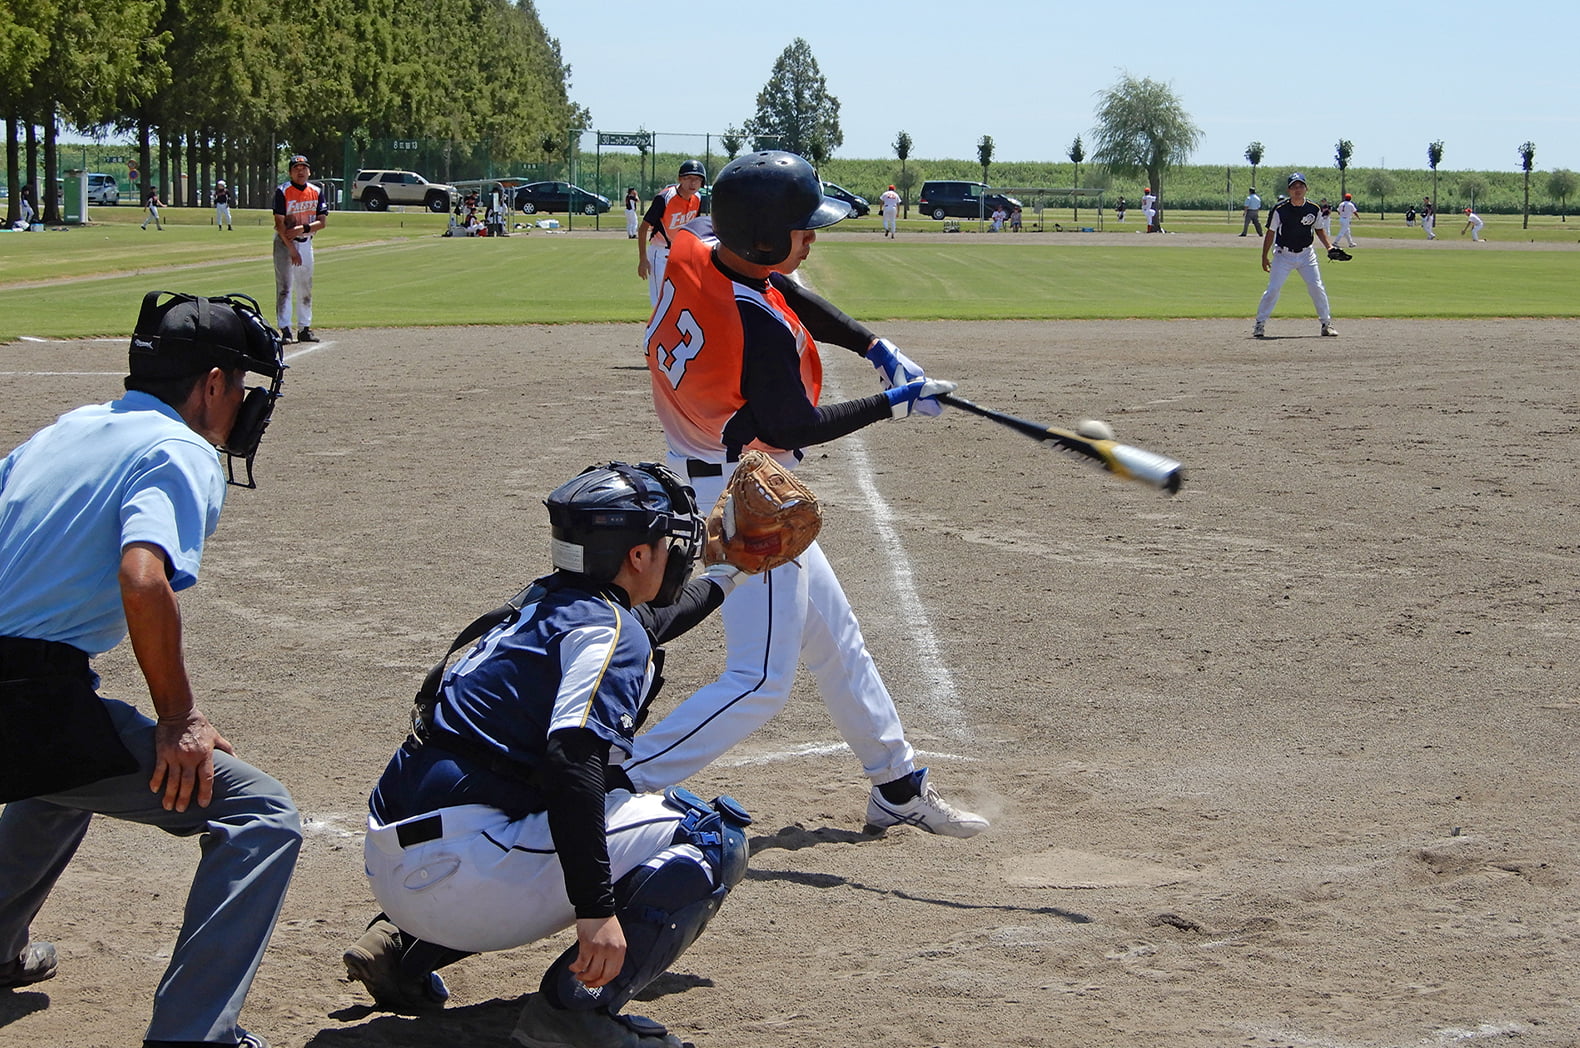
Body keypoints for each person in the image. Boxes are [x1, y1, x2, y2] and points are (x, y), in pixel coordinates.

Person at [638, 149, 988, 837]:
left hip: (718, 466)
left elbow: (777, 289)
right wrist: (895, 402)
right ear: (767, 238)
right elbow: (794, 424)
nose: (814, 236)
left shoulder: (700, 245)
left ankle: (895, 781)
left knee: (834, 638)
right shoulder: (758, 336)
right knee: (760, 678)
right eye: (804, 227)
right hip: (740, 498)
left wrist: (873, 344)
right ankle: (618, 778)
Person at [343, 462, 751, 1048]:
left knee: (569, 790)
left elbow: (648, 619)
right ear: (637, 556)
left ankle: (400, 949)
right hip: (463, 877)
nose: (678, 552)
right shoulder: (611, 631)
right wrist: (597, 912)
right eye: (668, 541)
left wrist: (730, 571)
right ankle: (574, 1013)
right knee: (709, 839)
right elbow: (571, 766)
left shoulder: (543, 602)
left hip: (397, 865)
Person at [0, 291, 297, 1048]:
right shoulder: (182, 450)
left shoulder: (68, 429)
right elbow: (142, 577)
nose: (244, 404)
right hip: (23, 693)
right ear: (211, 384)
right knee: (260, 814)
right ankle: (191, 1036)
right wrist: (180, 719)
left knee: (70, 763)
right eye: (242, 386)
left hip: (33, 697)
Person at [1253, 172, 1338, 339]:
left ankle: (1326, 324)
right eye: (1294, 187)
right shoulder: (1280, 209)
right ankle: (1260, 324)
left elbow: (1319, 229)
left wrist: (1329, 246)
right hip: (1283, 254)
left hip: (1307, 254)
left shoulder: (1313, 208)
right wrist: (1264, 256)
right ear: (1289, 190)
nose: (1297, 189)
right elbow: (1270, 233)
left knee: (1316, 287)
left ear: (1306, 188)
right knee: (1273, 289)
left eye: (1300, 186)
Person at [271, 154, 328, 345]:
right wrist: (291, 249)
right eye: (296, 168)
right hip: (284, 244)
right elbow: (279, 224)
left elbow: (322, 222)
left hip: (305, 242)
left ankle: (304, 328)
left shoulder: (316, 191)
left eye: (304, 167)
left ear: (309, 171)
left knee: (305, 286)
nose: (300, 171)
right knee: (285, 287)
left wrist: (302, 230)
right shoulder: (283, 191)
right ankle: (285, 329)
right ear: (290, 172)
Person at [637, 160, 706, 308]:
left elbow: (694, 227)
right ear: (680, 179)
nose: (693, 183)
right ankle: (654, 331)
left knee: (681, 297)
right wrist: (643, 259)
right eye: (688, 178)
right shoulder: (664, 198)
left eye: (697, 179)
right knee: (660, 302)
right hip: (660, 254)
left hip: (681, 254)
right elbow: (643, 228)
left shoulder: (698, 198)